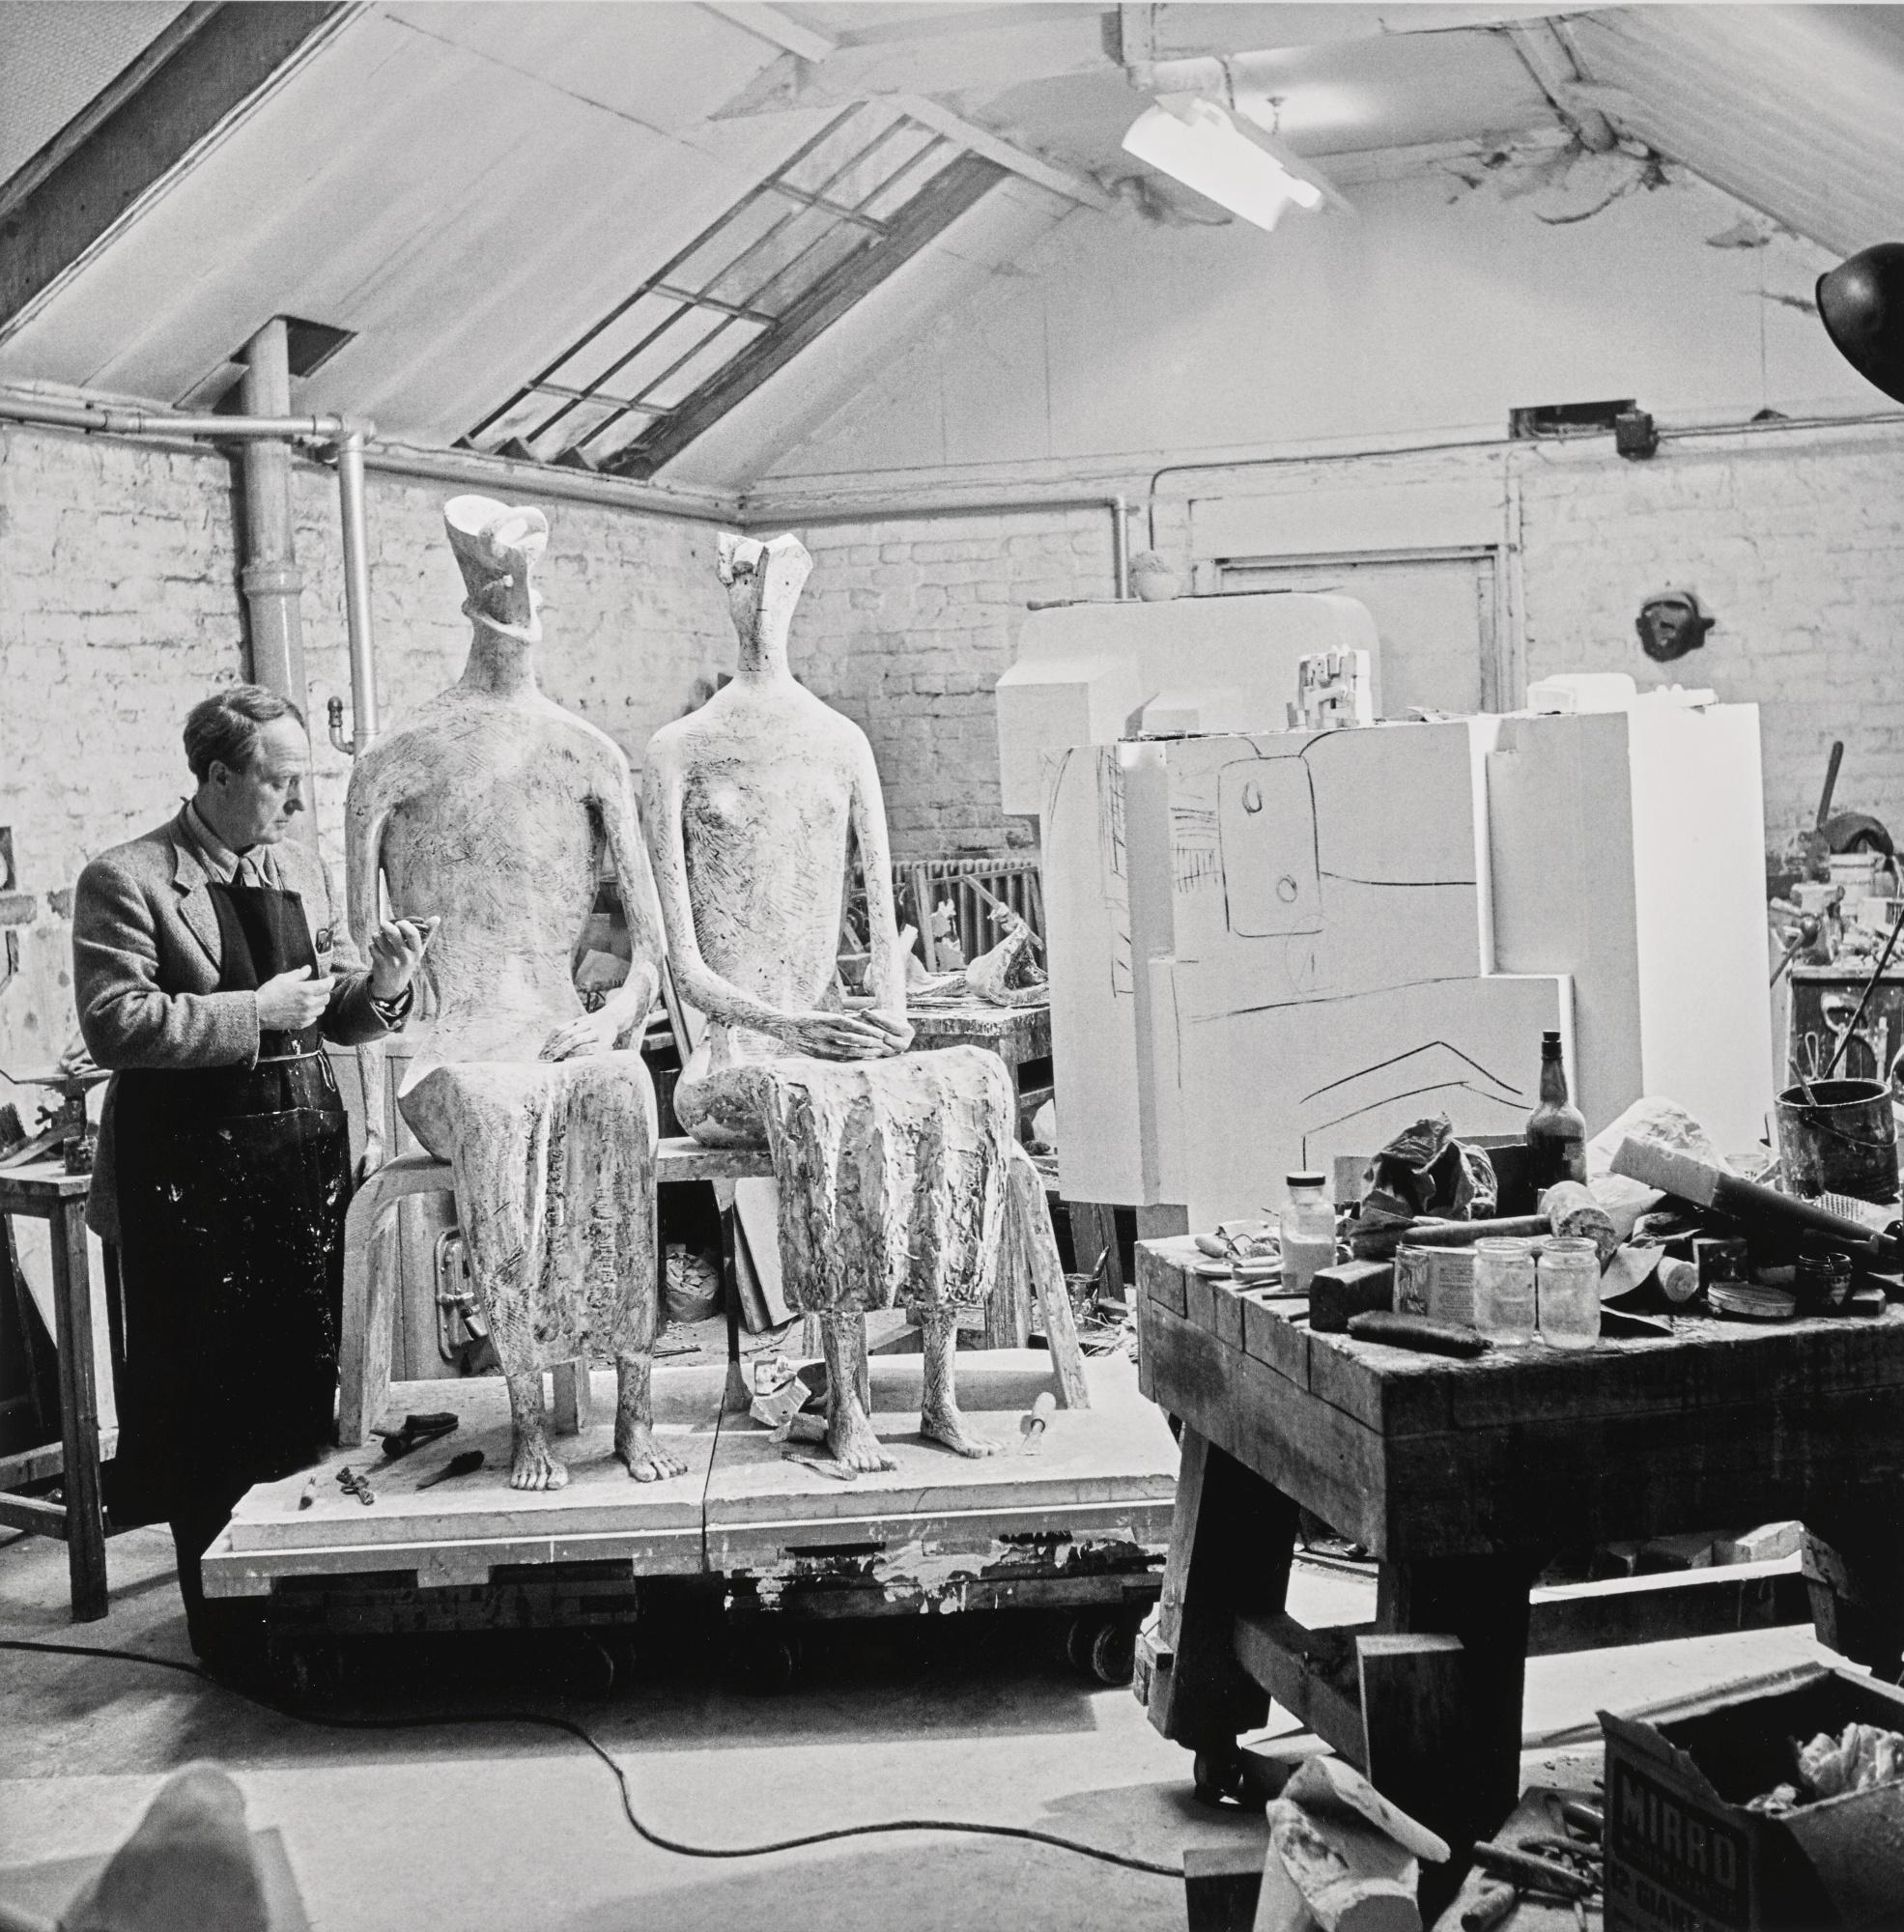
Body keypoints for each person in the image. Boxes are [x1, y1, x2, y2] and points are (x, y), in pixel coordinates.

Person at [72, 685, 430, 1671]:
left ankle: (309, 1608)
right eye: (275, 780)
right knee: (206, 1416)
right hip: (189, 1190)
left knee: (304, 1393)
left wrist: (385, 984)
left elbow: (340, 1011)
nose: (293, 800)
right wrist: (253, 1009)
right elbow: (116, 1024)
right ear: (218, 775)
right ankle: (228, 1636)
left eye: (299, 778)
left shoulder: (297, 868)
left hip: (296, 1176)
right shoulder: (128, 877)